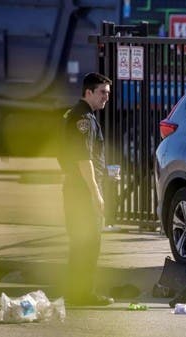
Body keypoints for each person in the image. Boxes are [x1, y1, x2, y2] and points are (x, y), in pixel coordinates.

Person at [57, 72, 114, 306]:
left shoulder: (78, 114)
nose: (106, 98)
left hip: (75, 187)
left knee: (81, 243)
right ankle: (85, 294)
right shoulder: (83, 118)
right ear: (88, 92)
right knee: (90, 242)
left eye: (108, 94)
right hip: (82, 192)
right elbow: (83, 159)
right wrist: (96, 192)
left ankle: (76, 292)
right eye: (102, 92)